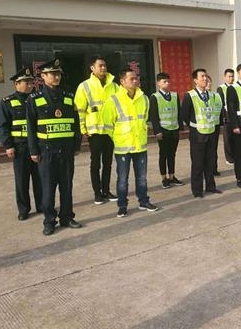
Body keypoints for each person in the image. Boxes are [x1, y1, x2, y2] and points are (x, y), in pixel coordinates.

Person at [26, 59, 82, 235]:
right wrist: (33, 150)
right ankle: (49, 221)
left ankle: (67, 217)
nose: (56, 77)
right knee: (48, 189)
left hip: (66, 151)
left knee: (66, 187)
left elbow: (75, 122)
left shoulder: (68, 96)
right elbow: (30, 127)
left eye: (58, 74)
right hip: (46, 152)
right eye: (52, 74)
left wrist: (77, 145)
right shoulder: (34, 99)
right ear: (43, 76)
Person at [103, 68, 159, 218]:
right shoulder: (113, 100)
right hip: (123, 147)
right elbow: (108, 125)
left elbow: (144, 118)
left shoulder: (144, 98)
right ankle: (122, 206)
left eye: (136, 78)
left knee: (142, 178)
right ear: (122, 81)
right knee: (122, 179)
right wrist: (119, 138)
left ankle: (144, 201)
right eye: (131, 79)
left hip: (140, 145)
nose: (135, 81)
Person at [0, 66, 42, 221]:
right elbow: (2, 125)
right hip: (20, 147)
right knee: (22, 180)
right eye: (25, 83)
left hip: (37, 146)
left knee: (40, 178)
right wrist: (8, 145)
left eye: (31, 83)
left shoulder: (37, 99)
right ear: (16, 84)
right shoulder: (7, 102)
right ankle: (24, 209)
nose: (29, 85)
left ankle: (41, 205)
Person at [74, 55, 118, 205]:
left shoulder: (114, 86)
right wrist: (82, 129)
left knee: (108, 163)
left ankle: (106, 191)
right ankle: (97, 193)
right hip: (94, 132)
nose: (103, 68)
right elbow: (80, 110)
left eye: (105, 65)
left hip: (110, 131)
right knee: (95, 164)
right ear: (92, 68)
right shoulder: (84, 86)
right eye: (100, 65)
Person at [182, 69, 223, 198]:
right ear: (195, 80)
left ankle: (211, 186)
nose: (205, 79)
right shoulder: (190, 96)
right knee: (198, 164)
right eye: (202, 76)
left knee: (210, 162)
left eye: (206, 76)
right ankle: (197, 190)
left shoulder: (211, 95)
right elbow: (185, 115)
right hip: (197, 135)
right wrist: (195, 125)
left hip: (211, 133)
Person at [149, 72, 184, 189]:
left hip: (174, 129)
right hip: (163, 130)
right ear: (158, 83)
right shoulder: (155, 97)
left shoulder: (174, 95)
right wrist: (157, 131)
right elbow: (153, 116)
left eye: (168, 81)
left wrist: (180, 127)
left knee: (172, 154)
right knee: (163, 154)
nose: (167, 83)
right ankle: (164, 178)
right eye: (164, 81)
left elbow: (178, 112)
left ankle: (172, 176)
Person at [217, 69, 235, 167]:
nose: (231, 78)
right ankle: (229, 158)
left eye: (232, 76)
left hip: (235, 115)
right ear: (225, 77)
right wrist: (223, 117)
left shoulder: (235, 87)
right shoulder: (221, 88)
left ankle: (236, 156)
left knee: (236, 138)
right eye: (229, 76)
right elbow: (221, 104)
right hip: (226, 115)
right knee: (227, 138)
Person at [206, 74, 222, 176]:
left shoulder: (216, 95)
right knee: (205, 150)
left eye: (209, 82)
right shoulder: (200, 97)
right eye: (206, 82)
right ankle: (206, 169)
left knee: (213, 149)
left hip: (215, 126)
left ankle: (213, 168)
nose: (208, 84)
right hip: (204, 127)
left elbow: (220, 109)